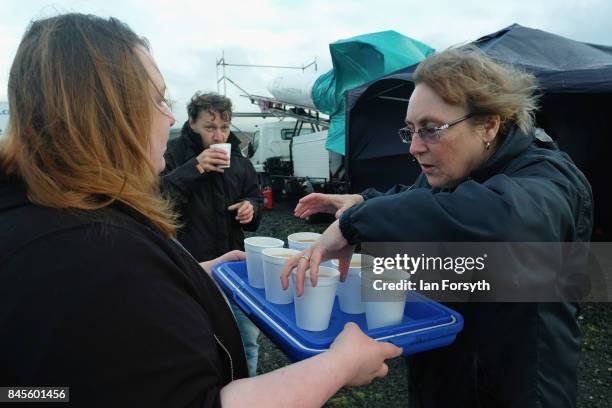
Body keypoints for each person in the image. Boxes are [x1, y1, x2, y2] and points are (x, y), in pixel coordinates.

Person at [0, 13, 402, 407]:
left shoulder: (44, 213)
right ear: (108, 112)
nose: (168, 115)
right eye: (158, 99)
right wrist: (339, 365)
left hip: (218, 262)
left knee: (248, 343)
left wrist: (193, 270)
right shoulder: (94, 250)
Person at [284, 45, 593, 407]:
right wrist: (364, 201)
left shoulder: (549, 176)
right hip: (443, 377)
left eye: (431, 130)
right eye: (411, 130)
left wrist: (354, 223)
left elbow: (507, 219)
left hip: (515, 389)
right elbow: (414, 198)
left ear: (488, 123)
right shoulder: (459, 171)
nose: (414, 147)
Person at [161, 92, 262, 376]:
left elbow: (255, 199)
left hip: (235, 269)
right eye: (210, 127)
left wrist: (250, 209)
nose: (219, 136)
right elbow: (156, 203)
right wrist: (196, 168)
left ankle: (247, 391)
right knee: (196, 344)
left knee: (247, 342)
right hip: (192, 269)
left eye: (224, 127)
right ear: (191, 123)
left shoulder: (240, 162)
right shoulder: (171, 155)